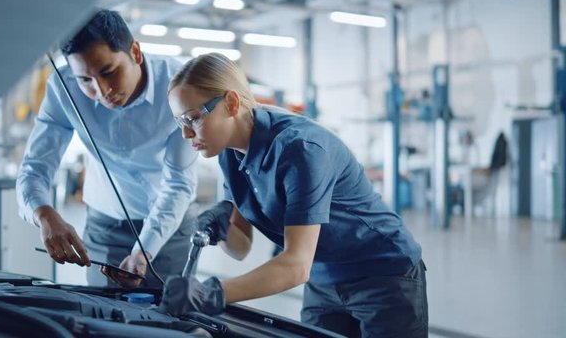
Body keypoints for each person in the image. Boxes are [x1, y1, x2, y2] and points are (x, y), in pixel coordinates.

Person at [159, 53, 428, 337]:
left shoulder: (300, 149)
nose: (186, 134)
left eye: (193, 118)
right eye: (180, 122)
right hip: (323, 278)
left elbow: (296, 265)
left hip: (383, 275)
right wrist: (223, 225)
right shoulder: (229, 153)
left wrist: (211, 294)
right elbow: (240, 249)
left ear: (231, 103)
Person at [16, 9, 198, 288]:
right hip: (105, 228)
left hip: (171, 227)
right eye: (85, 80)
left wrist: (143, 250)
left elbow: (177, 184)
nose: (101, 92)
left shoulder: (179, 85)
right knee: (102, 317)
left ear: (135, 52)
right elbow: (35, 167)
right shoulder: (63, 88)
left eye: (109, 72)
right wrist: (44, 214)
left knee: (169, 319)